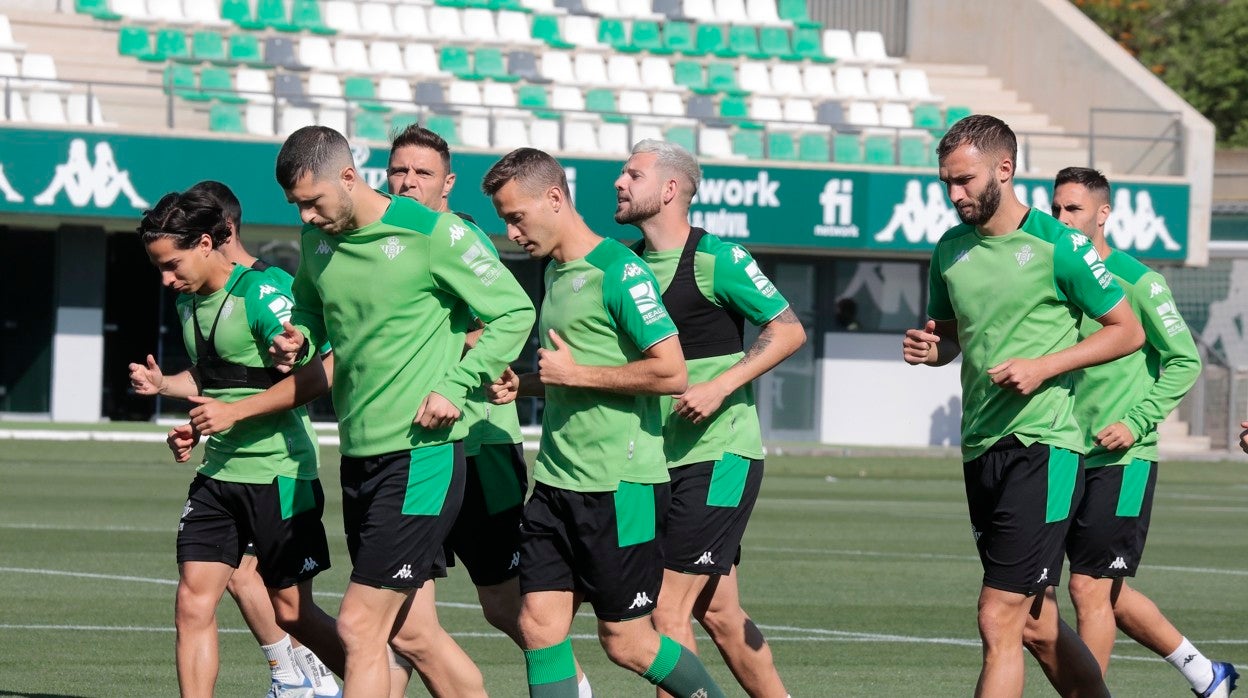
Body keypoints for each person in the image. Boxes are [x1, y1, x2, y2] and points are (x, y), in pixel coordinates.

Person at [268, 125, 536, 696]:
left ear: (348, 176)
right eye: (298, 207)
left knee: (361, 625)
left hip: (422, 459)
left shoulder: (435, 233)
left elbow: (514, 312)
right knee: (411, 635)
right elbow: (312, 314)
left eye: (313, 202)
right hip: (358, 457)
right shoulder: (317, 243)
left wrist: (457, 383)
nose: (308, 217)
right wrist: (299, 340)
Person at [901, 114, 1143, 698]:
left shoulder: (1060, 246)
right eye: (946, 183)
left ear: (1004, 170)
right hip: (981, 448)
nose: (954, 194)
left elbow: (1127, 331)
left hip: (1047, 446)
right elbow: (954, 337)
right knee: (1036, 623)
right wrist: (932, 351)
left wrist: (1044, 367)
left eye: (964, 180)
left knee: (999, 614)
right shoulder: (949, 250)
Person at [483, 147, 725, 698]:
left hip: (622, 489)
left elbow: (672, 372)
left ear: (553, 198)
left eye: (516, 216)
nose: (511, 231)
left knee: (627, 643)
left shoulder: (621, 269)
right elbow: (576, 368)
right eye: (504, 220)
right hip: (555, 486)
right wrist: (531, 384)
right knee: (538, 627)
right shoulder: (554, 271)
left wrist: (575, 374)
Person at [384, 125, 594, 698]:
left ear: (447, 183)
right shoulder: (376, 240)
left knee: (504, 603)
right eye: (399, 170)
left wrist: (431, 347)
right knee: (396, 611)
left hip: (481, 441)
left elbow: (499, 322)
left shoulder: (459, 238)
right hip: (404, 445)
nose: (408, 181)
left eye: (422, 173)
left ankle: (571, 685)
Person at [128, 189, 344, 698]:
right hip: (218, 476)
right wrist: (172, 394)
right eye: (158, 267)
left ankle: (376, 678)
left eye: (172, 264)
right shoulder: (188, 302)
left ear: (206, 243)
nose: (165, 278)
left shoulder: (264, 293)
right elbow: (217, 378)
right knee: (192, 602)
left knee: (292, 611)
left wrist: (234, 407)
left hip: (279, 473)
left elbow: (315, 375)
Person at [614, 139, 805, 698]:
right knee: (720, 614)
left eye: (633, 174)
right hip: (656, 462)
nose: (619, 183)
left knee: (664, 614)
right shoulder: (623, 265)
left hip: (720, 456)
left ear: (670, 189)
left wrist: (721, 385)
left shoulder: (716, 258)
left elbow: (788, 330)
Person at [1052, 167, 1239, 698]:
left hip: (1124, 459)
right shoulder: (1055, 277)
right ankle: (1206, 674)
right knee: (1106, 592)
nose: (1063, 219)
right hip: (1061, 451)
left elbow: (1185, 361)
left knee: (1089, 587)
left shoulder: (1140, 282)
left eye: (1074, 209)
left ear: (1102, 213)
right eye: (1057, 208)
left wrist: (1135, 423)